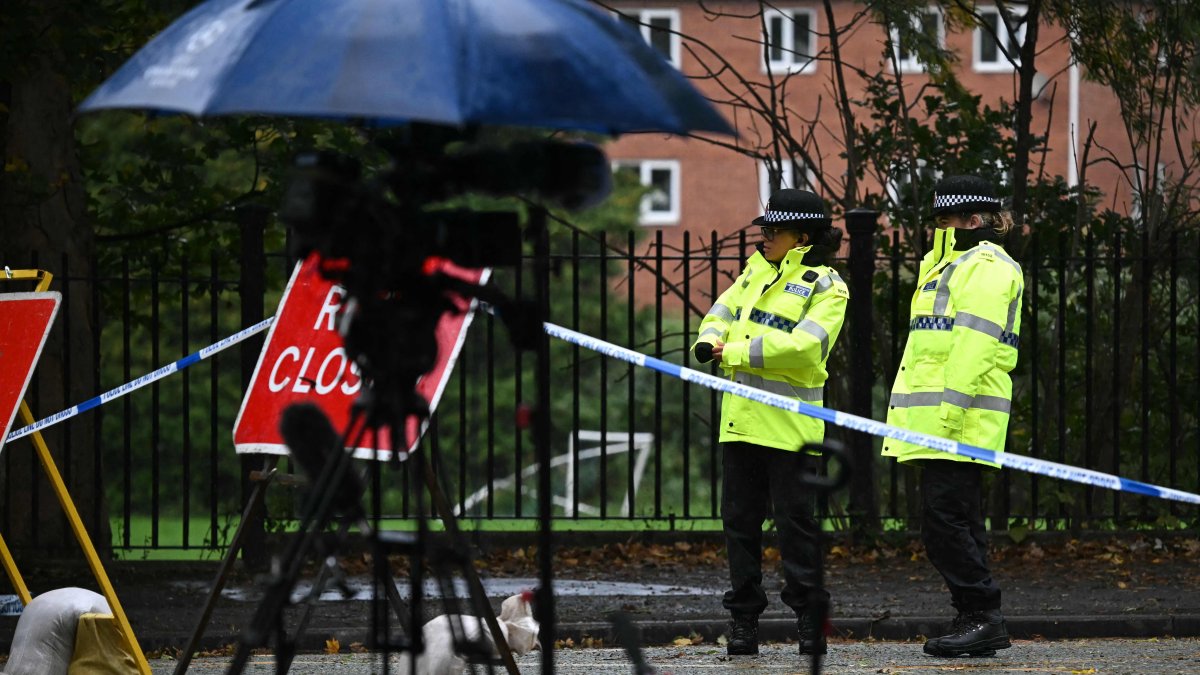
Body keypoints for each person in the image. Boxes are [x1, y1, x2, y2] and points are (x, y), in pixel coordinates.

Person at [693, 188, 849, 657]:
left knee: (796, 528)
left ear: (803, 236)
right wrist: (710, 340)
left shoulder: (827, 285)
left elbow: (805, 349)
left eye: (773, 230)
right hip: (741, 424)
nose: (764, 237)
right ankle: (743, 623)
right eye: (763, 228)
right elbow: (716, 316)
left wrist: (733, 353)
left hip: (791, 431)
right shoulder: (752, 275)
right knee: (739, 527)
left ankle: (808, 623)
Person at [883, 174, 1023, 657]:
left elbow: (974, 346)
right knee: (956, 520)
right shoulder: (946, 265)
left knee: (945, 523)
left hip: (960, 420)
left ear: (974, 220)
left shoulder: (985, 266)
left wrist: (947, 417)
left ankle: (982, 613)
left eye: (947, 218)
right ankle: (977, 618)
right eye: (938, 218)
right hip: (946, 420)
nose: (940, 226)